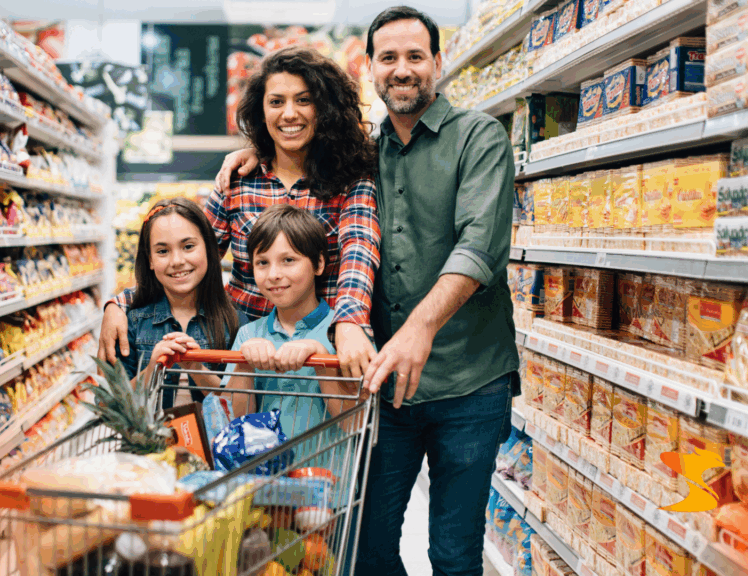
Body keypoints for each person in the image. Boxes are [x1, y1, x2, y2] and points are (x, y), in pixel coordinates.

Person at [215, 7, 519, 576]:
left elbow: (478, 246)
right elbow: (302, 161)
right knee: (365, 548)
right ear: (370, 68)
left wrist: (403, 327)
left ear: (438, 62)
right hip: (382, 382)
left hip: (469, 380)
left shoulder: (479, 137)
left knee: (453, 553)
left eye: (415, 56)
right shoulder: (360, 154)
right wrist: (259, 149)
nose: (402, 69)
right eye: (388, 58)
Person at [99, 46, 381, 383]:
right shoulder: (238, 181)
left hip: (321, 353)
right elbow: (191, 256)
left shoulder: (350, 180)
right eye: (276, 102)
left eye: (304, 100)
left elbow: (359, 252)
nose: (289, 113)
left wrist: (349, 322)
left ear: (326, 108)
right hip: (243, 350)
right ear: (261, 111)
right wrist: (122, 303)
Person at [223, 205, 358, 441]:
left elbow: (355, 422)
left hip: (328, 465)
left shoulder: (347, 332)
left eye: (288, 260)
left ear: (318, 264)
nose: (273, 274)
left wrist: (321, 358)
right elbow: (232, 424)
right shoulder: (248, 334)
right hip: (263, 466)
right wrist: (244, 366)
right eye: (262, 263)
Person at [115, 197, 245, 408]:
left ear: (208, 248)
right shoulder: (132, 323)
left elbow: (241, 407)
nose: (177, 261)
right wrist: (152, 369)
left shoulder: (235, 322)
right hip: (151, 431)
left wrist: (196, 367)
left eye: (188, 246)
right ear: (150, 260)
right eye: (162, 251)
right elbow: (109, 406)